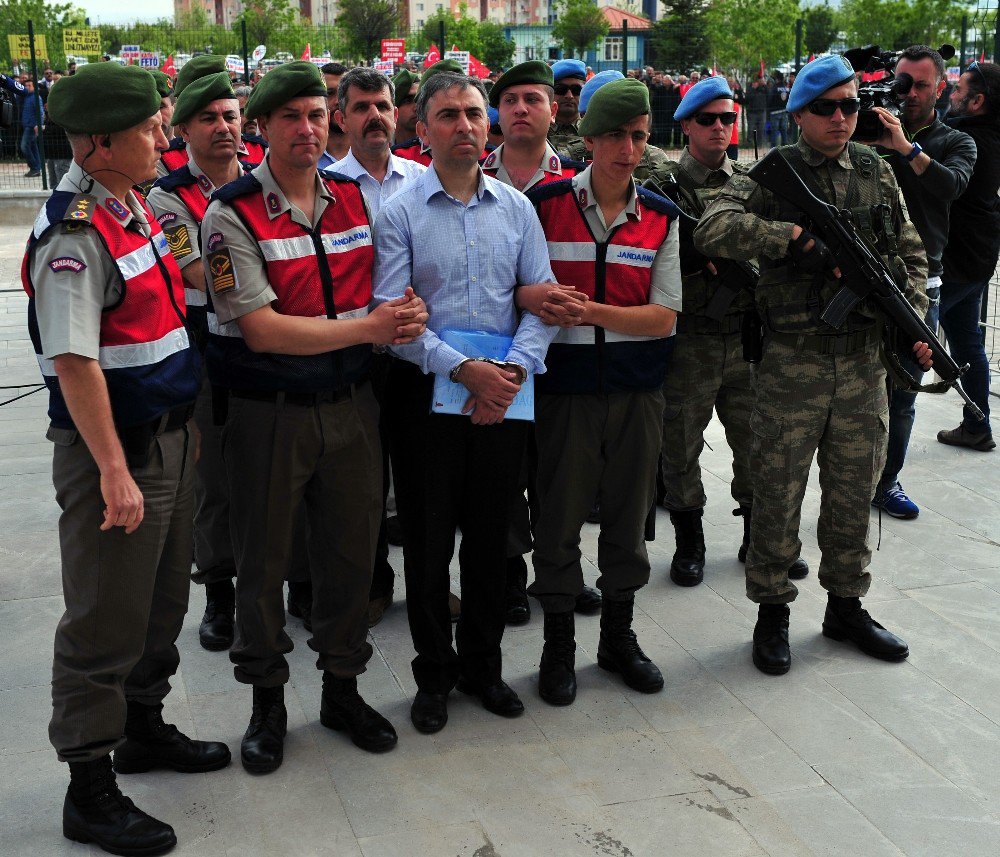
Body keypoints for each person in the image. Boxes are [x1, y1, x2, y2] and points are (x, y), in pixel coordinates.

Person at [22, 62, 228, 856]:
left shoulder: (133, 206)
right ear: (102, 142)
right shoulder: (75, 234)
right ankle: (90, 786)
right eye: (149, 128)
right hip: (120, 456)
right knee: (104, 618)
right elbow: (75, 363)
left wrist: (183, 424)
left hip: (166, 438)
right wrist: (111, 467)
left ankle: (142, 725)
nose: (163, 137)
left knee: (161, 602)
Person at [201, 61, 427, 772]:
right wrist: (372, 328)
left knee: (350, 555)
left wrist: (405, 314)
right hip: (271, 413)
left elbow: (395, 292)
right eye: (289, 117)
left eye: (315, 115)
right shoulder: (229, 213)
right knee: (264, 562)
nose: (307, 129)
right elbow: (262, 330)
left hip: (353, 407)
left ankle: (341, 687)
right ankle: (267, 700)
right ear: (260, 126)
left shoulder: (359, 203)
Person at [694, 55, 930, 676]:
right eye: (826, 108)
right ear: (799, 114)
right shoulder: (775, 176)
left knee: (854, 493)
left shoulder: (879, 171)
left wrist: (919, 322)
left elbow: (909, 257)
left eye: (851, 106)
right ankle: (772, 611)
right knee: (777, 493)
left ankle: (846, 606)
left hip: (862, 368)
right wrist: (789, 239)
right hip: (790, 366)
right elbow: (713, 228)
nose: (840, 118)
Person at [373, 71, 558, 735]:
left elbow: (542, 299)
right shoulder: (398, 213)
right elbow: (394, 317)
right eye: (447, 115)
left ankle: (483, 666)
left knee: (490, 542)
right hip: (427, 401)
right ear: (420, 130)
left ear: (491, 126)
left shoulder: (517, 208)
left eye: (474, 114)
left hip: (502, 400)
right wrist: (466, 371)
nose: (464, 125)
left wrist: (507, 371)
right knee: (426, 546)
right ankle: (435, 674)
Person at [524, 78, 681, 705]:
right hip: (562, 393)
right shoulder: (544, 203)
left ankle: (619, 636)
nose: (628, 148)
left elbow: (664, 317)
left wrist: (588, 311)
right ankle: (557, 644)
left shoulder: (661, 218)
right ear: (587, 139)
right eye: (615, 135)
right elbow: (521, 289)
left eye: (639, 136)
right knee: (557, 517)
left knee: (628, 518)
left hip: (636, 394)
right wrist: (546, 302)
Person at [643, 76, 810, 589]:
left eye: (727, 118)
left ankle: (758, 534)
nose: (720, 128)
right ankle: (690, 540)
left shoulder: (756, 183)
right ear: (687, 125)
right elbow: (650, 255)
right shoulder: (667, 188)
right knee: (680, 445)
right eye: (708, 119)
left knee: (757, 442)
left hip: (747, 337)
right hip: (690, 337)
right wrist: (699, 261)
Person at [479, 61, 595, 625]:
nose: (522, 109)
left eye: (534, 99)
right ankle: (506, 576)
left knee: (558, 474)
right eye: (510, 101)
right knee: (498, 475)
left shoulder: (579, 180)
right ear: (497, 115)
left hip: (563, 351)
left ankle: (561, 572)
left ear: (555, 110)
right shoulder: (469, 175)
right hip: (489, 349)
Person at [146, 72, 249, 652]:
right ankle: (220, 590)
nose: (223, 128)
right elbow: (200, 274)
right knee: (213, 481)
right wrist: (266, 277)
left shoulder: (263, 179)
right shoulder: (167, 197)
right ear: (182, 128)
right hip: (205, 352)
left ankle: (291, 580)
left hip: (265, 347)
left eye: (231, 116)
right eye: (208, 118)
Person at [330, 66, 428, 627]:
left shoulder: (422, 179)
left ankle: (426, 585)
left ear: (398, 113)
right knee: (362, 482)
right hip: (355, 354)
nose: (375, 116)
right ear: (341, 118)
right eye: (362, 106)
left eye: (384, 105)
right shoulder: (327, 187)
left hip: (415, 353)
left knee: (418, 475)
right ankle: (370, 584)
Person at [867, 45, 977, 519]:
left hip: (919, 282)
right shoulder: (867, 129)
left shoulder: (955, 142)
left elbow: (951, 186)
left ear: (940, 89)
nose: (908, 94)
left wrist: (906, 150)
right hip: (860, 275)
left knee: (906, 391)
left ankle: (887, 481)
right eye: (902, 83)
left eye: (919, 86)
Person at [936, 61, 1000, 450]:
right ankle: (977, 426)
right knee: (966, 340)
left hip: (955, 261)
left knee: (909, 337)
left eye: (958, 90)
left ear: (977, 101)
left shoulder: (961, 136)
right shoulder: (992, 134)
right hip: (978, 257)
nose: (950, 95)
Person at [391, 59, 466, 166]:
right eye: (407, 101)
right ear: (394, 111)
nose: (417, 107)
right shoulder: (392, 156)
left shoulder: (485, 157)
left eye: (473, 113)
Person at [1, 72, 43, 176]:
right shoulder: (24, 97)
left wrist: (39, 124)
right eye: (26, 85)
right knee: (32, 147)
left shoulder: (35, 97)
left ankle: (35, 167)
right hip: (26, 125)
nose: (27, 87)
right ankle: (37, 168)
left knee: (24, 146)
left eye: (30, 85)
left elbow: (41, 112)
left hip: (32, 126)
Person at [548, 59, 587, 151]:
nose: (569, 96)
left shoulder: (593, 131)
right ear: (549, 92)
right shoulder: (537, 130)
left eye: (576, 90)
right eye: (561, 89)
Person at [392, 67, 421, 144]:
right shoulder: (380, 147)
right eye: (407, 101)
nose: (417, 107)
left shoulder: (437, 150)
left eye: (419, 99)